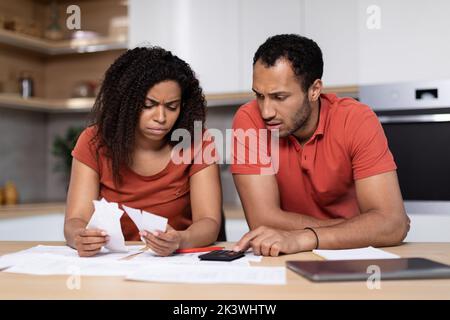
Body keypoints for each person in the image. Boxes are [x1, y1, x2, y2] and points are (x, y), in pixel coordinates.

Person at [231, 34, 410, 256]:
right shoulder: (248, 119)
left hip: (351, 256)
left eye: (279, 97)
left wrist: (306, 237)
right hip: (286, 256)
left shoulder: (356, 119)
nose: (266, 112)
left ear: (314, 90)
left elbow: (392, 224)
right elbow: (262, 220)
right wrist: (361, 228)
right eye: (259, 96)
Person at [64, 47, 222, 257]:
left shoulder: (198, 141)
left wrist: (180, 240)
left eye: (172, 106)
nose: (161, 117)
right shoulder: (93, 142)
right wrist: (79, 237)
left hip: (176, 264)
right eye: (148, 105)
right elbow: (75, 220)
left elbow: (209, 222)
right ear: (124, 104)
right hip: (111, 265)